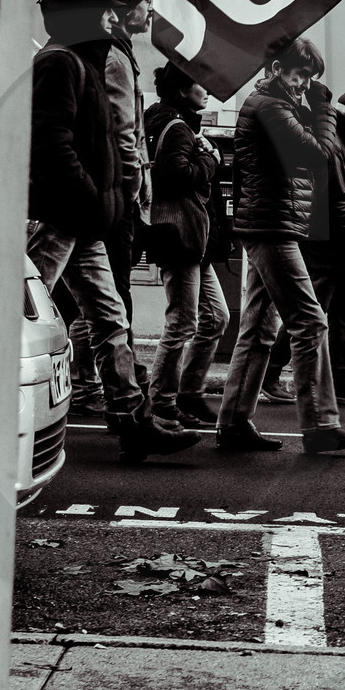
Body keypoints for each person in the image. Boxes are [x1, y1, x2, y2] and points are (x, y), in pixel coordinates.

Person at [27, 0, 199, 463]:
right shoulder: (61, 63)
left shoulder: (81, 61)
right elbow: (52, 146)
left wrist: (102, 204)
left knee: (110, 319)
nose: (111, 20)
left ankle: (132, 420)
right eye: (103, 12)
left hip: (80, 220)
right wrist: (94, 199)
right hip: (61, 218)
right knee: (20, 320)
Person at [216, 37, 345, 455]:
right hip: (270, 226)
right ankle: (320, 425)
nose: (305, 84)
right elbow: (319, 155)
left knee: (260, 329)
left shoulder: (277, 104)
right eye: (299, 75)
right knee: (310, 321)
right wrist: (321, 108)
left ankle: (232, 423)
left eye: (310, 77)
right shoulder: (269, 107)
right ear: (276, 69)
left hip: (273, 223)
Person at [68, 0, 153, 409]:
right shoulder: (115, 58)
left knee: (102, 300)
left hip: (105, 192)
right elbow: (125, 131)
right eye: (145, 3)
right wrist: (132, 191)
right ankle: (99, 389)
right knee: (106, 299)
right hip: (113, 195)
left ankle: (115, 395)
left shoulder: (114, 53)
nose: (150, 11)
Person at [260, 87, 345, 406]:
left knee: (343, 315)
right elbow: (335, 199)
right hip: (330, 247)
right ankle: (270, 372)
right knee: (311, 314)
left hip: (341, 249)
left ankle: (344, 378)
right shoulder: (335, 143)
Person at [143, 62, 228, 428]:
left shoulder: (173, 123)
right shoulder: (176, 128)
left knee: (216, 317)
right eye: (200, 84)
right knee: (181, 323)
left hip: (193, 239)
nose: (206, 89)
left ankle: (189, 393)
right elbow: (174, 176)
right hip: (180, 236)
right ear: (182, 90)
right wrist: (210, 159)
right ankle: (162, 401)